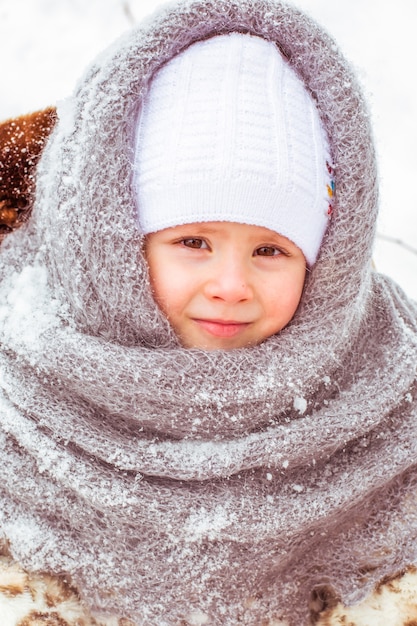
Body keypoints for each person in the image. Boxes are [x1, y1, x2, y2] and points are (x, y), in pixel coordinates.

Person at [0, 0, 417, 625]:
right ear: (114, 244)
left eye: (270, 250)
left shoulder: (387, 390)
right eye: (192, 242)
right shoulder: (23, 379)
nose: (231, 284)